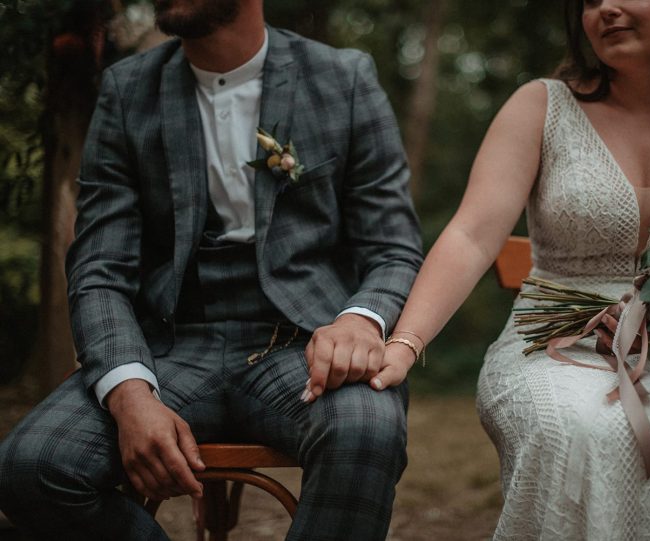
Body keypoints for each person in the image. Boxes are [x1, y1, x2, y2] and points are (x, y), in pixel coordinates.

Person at [0, 1, 423, 539]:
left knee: (367, 429)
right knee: (30, 467)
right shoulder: (128, 91)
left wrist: (360, 321)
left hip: (299, 343)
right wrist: (130, 392)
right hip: (171, 345)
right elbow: (100, 266)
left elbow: (393, 246)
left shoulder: (343, 78)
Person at [374, 0, 650, 538]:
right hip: (553, 341)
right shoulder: (540, 106)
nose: (604, 9)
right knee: (582, 426)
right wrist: (404, 343)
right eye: (589, 1)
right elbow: (472, 236)